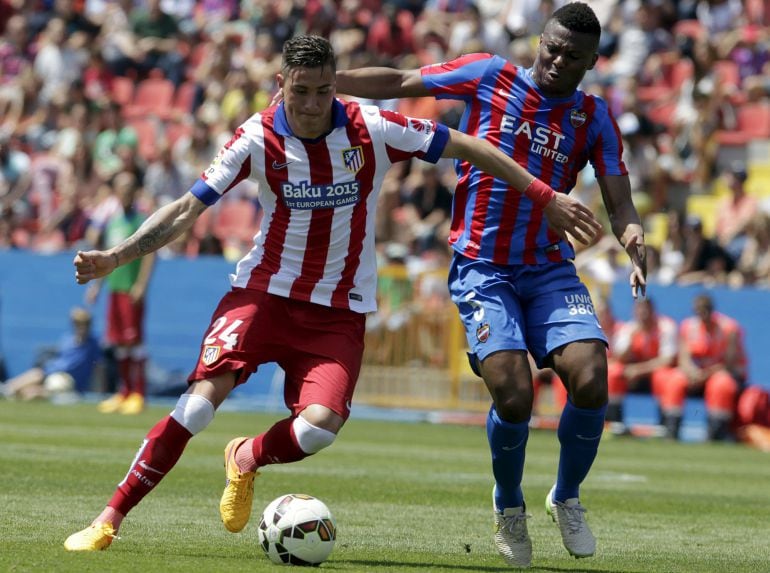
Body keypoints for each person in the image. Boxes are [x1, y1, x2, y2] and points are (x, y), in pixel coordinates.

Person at [64, 35, 601, 552]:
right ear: (281, 84)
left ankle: (247, 457)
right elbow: (186, 208)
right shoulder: (257, 136)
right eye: (300, 91)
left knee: (319, 430)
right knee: (197, 409)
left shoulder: (372, 126)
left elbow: (468, 145)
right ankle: (109, 518)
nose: (313, 103)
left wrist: (543, 194)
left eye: (324, 91)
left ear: (335, 86)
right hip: (263, 295)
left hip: (338, 311)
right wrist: (117, 257)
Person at [335, 3, 647, 566]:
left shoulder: (593, 118)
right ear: (539, 40)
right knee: (514, 390)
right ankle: (508, 504)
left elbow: (620, 201)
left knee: (593, 378)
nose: (557, 60)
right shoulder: (488, 74)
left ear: (592, 62)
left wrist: (634, 239)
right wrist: (328, 82)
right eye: (551, 47)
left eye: (572, 55)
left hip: (549, 269)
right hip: (483, 267)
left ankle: (566, 496)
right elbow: (403, 81)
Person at [86, 171, 155, 415]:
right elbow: (107, 260)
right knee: (119, 343)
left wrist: (141, 285)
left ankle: (138, 393)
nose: (124, 193)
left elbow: (150, 254)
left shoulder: (141, 221)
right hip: (115, 288)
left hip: (130, 288)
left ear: (135, 192)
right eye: (120, 189)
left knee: (134, 341)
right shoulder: (113, 222)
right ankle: (123, 392)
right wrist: (96, 286)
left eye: (128, 189)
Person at [652, 294, 747, 441]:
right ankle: (670, 429)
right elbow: (684, 358)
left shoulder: (729, 328)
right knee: (675, 380)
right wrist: (692, 372)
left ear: (712, 310)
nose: (702, 315)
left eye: (706, 310)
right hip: (698, 374)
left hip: (724, 373)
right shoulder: (689, 326)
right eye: (698, 311)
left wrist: (705, 374)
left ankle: (716, 432)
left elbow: (729, 363)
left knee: (720, 384)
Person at [608, 298, 678, 431]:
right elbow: (620, 358)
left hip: (655, 374)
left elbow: (667, 360)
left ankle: (666, 426)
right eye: (639, 309)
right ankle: (614, 422)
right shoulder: (629, 329)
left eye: (646, 309)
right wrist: (632, 339)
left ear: (653, 310)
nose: (643, 313)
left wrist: (638, 370)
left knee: (668, 377)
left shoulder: (666, 327)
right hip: (632, 376)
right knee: (613, 372)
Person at [1, 307, 100, 400]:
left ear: (89, 325)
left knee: (48, 385)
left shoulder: (93, 345)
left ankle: (10, 391)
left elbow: (98, 368)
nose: (81, 327)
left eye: (84, 324)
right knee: (37, 375)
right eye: (78, 324)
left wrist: (96, 393)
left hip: (69, 382)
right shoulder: (67, 340)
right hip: (51, 373)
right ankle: (8, 389)